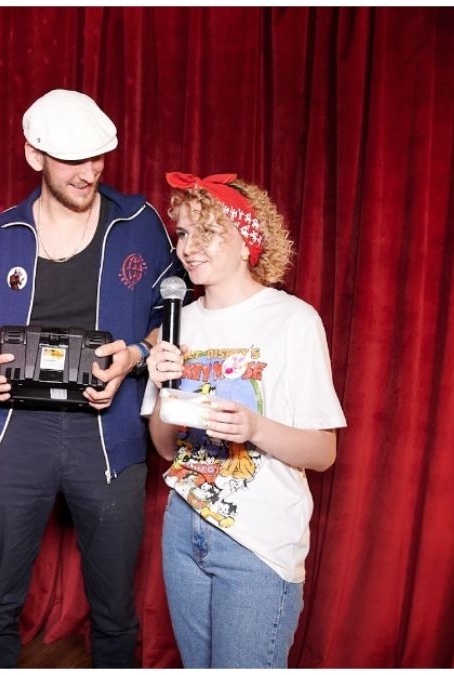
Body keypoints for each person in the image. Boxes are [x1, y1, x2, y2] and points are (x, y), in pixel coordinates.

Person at [0, 89, 177, 667]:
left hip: (108, 437)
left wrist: (134, 355)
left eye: (97, 158)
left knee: (114, 611)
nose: (88, 173)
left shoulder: (140, 222)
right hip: (15, 434)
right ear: (34, 155)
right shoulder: (3, 231)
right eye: (72, 160)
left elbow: (176, 318)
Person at [141, 172, 347, 668]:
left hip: (258, 540)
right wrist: (166, 389)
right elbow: (166, 448)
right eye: (184, 234)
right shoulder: (177, 321)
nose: (189, 248)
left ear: (246, 240)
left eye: (207, 233)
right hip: (184, 528)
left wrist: (255, 429)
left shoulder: (293, 320)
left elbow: (323, 452)